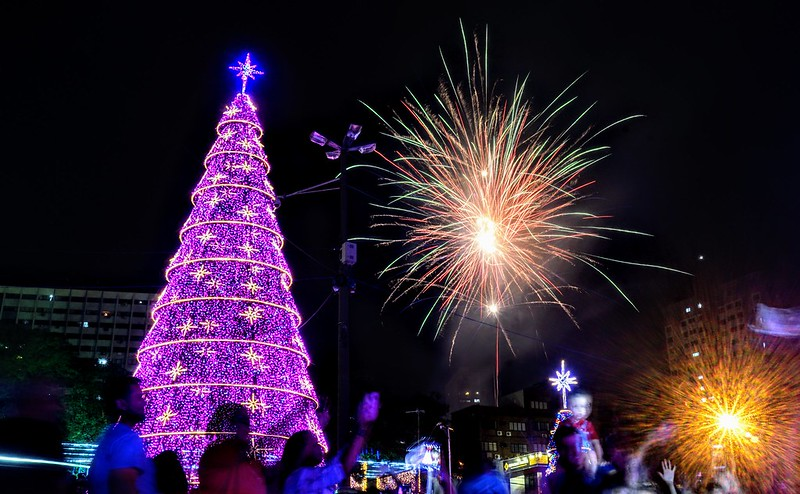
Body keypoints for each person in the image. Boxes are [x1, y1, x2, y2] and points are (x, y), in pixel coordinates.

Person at [280, 391, 380, 494]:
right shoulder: (299, 478)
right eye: (314, 445)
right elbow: (342, 467)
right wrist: (363, 425)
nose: (320, 446)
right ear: (300, 451)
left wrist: (365, 426)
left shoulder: (304, 475)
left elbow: (341, 461)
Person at [88, 375, 156, 494]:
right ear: (122, 404)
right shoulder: (127, 439)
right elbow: (124, 488)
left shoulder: (108, 435)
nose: (144, 403)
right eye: (139, 398)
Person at [197, 403, 266, 494]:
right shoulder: (221, 457)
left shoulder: (245, 457)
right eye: (244, 421)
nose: (248, 428)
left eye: (248, 422)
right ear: (229, 423)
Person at [546, 423, 599, 494]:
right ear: (561, 451)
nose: (576, 452)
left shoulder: (597, 475)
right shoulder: (559, 483)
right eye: (570, 448)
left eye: (578, 445)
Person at [566, 389, 603, 467]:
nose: (579, 410)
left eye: (582, 406)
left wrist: (599, 460)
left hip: (587, 453)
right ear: (569, 407)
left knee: (591, 457)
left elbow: (596, 443)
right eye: (575, 406)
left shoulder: (588, 425)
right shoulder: (566, 425)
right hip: (572, 456)